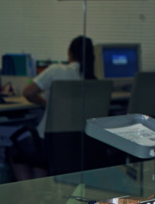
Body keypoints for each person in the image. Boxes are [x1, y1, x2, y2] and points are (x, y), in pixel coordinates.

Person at [9, 36, 95, 180]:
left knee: (14, 152)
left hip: (50, 142)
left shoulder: (56, 70)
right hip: (77, 145)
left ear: (69, 52)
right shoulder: (93, 80)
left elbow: (28, 92)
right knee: (39, 157)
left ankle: (28, 191)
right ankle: (40, 190)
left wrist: (44, 103)